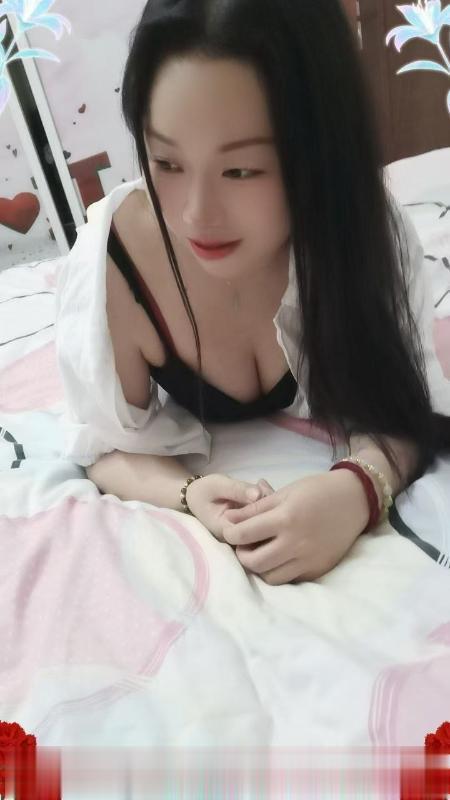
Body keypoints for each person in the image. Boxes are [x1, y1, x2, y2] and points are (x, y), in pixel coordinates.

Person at [55, 0, 450, 586]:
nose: (196, 214)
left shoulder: (360, 233)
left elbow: (407, 406)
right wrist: (190, 492)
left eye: (241, 170)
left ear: (319, 152)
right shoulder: (115, 264)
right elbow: (103, 446)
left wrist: (359, 488)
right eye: (166, 161)